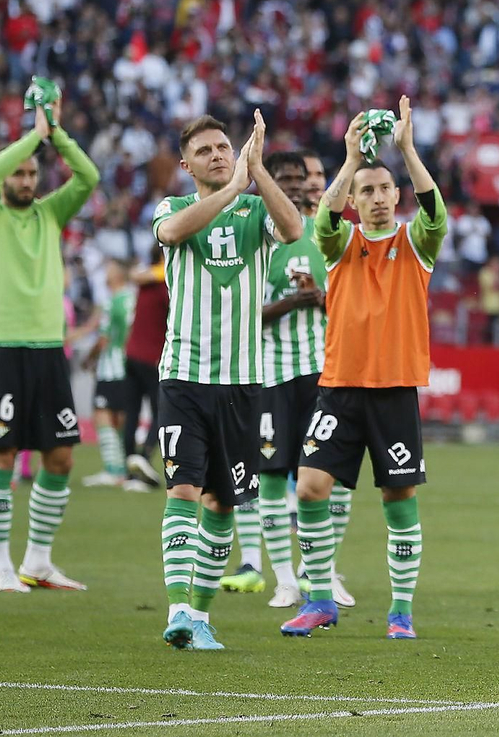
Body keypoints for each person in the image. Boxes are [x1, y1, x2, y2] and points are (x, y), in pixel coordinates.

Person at [280, 97, 446, 640]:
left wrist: (407, 150)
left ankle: (401, 612)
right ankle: (320, 598)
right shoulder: (339, 241)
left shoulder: (415, 243)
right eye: (366, 192)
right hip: (340, 389)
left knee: (398, 498)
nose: (377, 198)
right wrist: (350, 161)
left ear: (395, 196)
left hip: (395, 389)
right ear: (354, 199)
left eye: (384, 189)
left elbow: (434, 209)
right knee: (309, 487)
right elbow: (322, 217)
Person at [153, 110, 303, 650]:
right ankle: (175, 609)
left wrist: (256, 173)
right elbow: (172, 232)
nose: (218, 154)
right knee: (184, 488)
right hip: (184, 378)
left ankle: (199, 615)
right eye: (206, 150)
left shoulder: (255, 211)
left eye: (224, 147)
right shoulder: (172, 208)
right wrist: (233, 186)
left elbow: (294, 229)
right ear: (186, 163)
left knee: (223, 503)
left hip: (243, 383)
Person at [0, 97, 99, 593]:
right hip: (3, 346)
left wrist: (56, 134)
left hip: (49, 349)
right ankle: (0, 565)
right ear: (6, 177)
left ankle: (37, 560)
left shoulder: (49, 212)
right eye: (18, 173)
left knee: (61, 457)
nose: (25, 180)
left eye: (32, 173)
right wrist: (32, 134)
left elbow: (88, 177)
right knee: (1, 455)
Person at [220, 150, 357, 611]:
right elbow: (241, 314)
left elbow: (351, 307)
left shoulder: (325, 236)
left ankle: (321, 570)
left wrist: (319, 301)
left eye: (300, 178)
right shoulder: (256, 240)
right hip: (270, 374)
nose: (296, 185)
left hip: (325, 372)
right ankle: (284, 580)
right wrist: (290, 304)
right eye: (285, 178)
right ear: (266, 183)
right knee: (272, 477)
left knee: (328, 476)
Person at [81, 259, 149, 491]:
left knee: (102, 415)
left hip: (111, 368)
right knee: (122, 419)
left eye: (108, 269)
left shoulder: (112, 302)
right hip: (131, 366)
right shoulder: (135, 298)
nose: (105, 273)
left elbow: (103, 338)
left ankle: (114, 470)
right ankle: (124, 467)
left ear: (117, 276)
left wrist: (88, 359)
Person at [120, 248, 169, 487]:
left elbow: (136, 274)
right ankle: (143, 458)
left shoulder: (145, 281)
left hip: (132, 354)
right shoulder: (167, 284)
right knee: (161, 413)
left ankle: (129, 468)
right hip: (153, 358)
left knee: (132, 413)